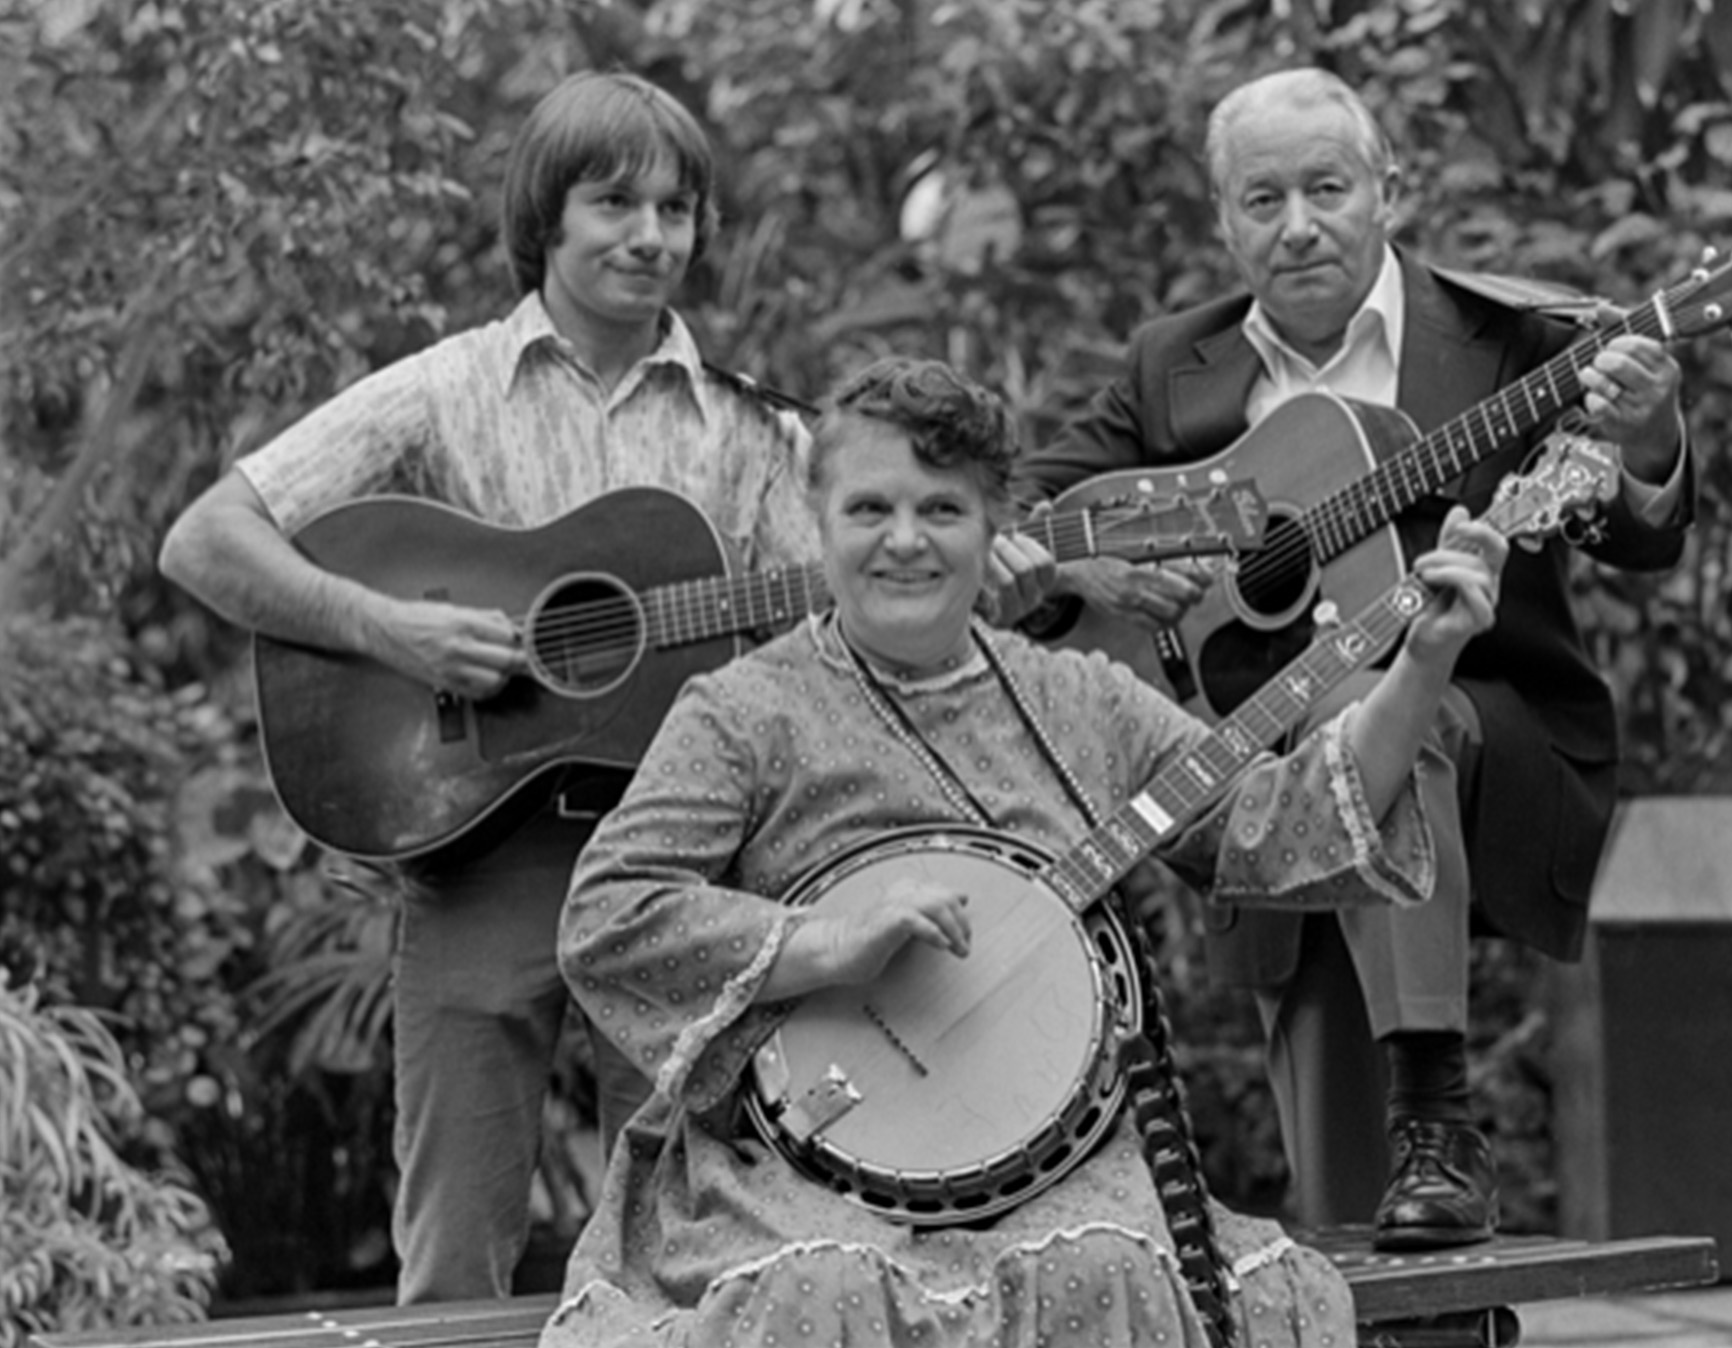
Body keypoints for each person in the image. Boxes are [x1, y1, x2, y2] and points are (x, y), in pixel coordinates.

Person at [540, 356, 1507, 1348]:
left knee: (1105, 1270)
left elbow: (1279, 823)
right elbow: (609, 913)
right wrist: (827, 941)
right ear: (814, 520)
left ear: (996, 527)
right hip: (799, 1175)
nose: (904, 541)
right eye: (869, 507)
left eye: (942, 510)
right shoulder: (744, 711)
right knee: (822, 1291)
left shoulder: (1077, 700)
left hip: (1064, 1173)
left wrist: (1423, 663)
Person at [156, 71, 819, 1303]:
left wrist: (954, 571)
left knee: (685, 1247)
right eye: (614, 203)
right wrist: (389, 627)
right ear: (545, 218)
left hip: (678, 864)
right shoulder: (442, 387)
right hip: (479, 855)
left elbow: (824, 630)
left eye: (675, 210)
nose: (649, 236)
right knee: (454, 1247)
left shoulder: (752, 431)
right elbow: (208, 538)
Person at [1011, 67, 1695, 1248]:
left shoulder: (1505, 343)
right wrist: (1086, 571)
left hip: (1480, 727)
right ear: (1224, 220)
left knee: (1397, 710)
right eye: (1261, 199)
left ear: (1387, 188)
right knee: (1348, 1219)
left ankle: (1438, 1116)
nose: (1297, 225)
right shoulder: (1171, 367)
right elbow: (1021, 506)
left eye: (1325, 187)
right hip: (1254, 766)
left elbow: (1632, 531)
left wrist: (1648, 439)